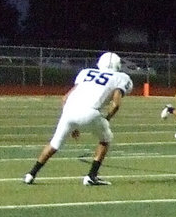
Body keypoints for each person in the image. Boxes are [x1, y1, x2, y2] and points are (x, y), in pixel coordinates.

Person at [24, 52, 133, 186]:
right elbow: (115, 104)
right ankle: (91, 176)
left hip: (69, 110)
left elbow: (65, 98)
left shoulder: (86, 72)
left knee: (54, 144)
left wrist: (73, 125)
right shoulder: (120, 77)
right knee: (105, 139)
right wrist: (106, 119)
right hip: (91, 112)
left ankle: (31, 174)